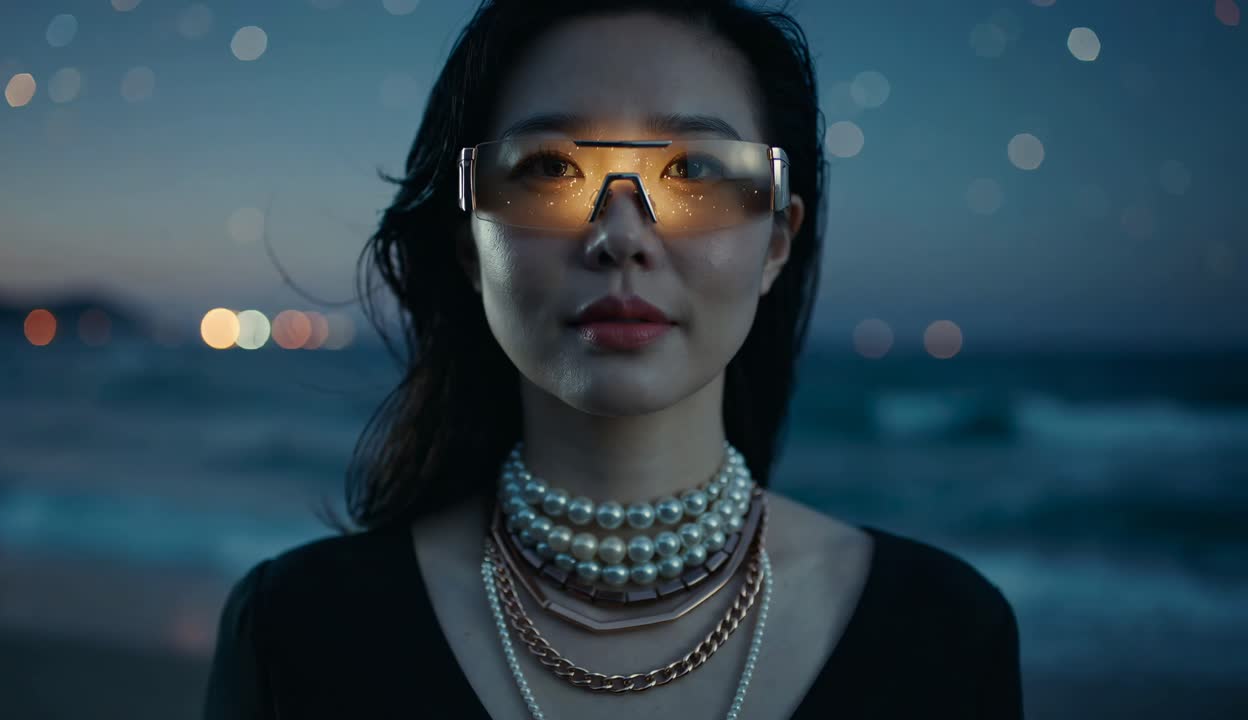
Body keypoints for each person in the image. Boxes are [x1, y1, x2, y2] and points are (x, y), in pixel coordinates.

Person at [203, 0, 1024, 717]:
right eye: (551, 168)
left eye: (694, 170)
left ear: (777, 240)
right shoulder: (297, 629)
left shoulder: (944, 632)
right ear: (468, 246)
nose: (620, 235)